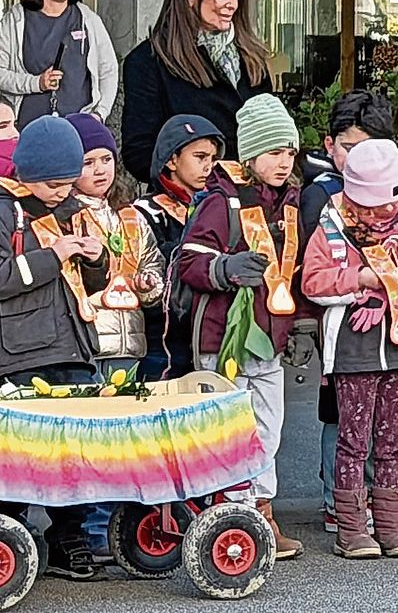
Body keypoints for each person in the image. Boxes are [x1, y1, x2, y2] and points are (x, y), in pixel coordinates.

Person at [0, 115, 109, 579]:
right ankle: (9, 530)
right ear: (24, 173)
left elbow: (93, 281)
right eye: (51, 184)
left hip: (74, 345)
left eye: (69, 183)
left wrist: (96, 258)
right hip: (21, 351)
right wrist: (54, 255)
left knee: (75, 454)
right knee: (21, 452)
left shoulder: (71, 206)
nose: (61, 192)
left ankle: (69, 534)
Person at [301, 140, 398, 560]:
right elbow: (312, 281)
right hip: (353, 349)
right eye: (364, 205)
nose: (373, 215)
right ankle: (351, 529)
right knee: (353, 438)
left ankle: (390, 525)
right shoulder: (331, 224)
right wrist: (360, 279)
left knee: (393, 439)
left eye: (381, 205)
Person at [172, 94, 304, 559]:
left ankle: (261, 514)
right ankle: (228, 515)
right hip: (221, 338)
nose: (283, 162)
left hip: (271, 338)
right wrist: (226, 269)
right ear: (249, 156)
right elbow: (187, 261)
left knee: (269, 427)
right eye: (273, 152)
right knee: (226, 431)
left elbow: (292, 271)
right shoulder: (221, 201)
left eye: (289, 151)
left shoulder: (289, 202)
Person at [66, 113, 164, 555]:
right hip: (89, 342)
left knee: (122, 438)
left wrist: (149, 285)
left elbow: (154, 270)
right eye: (88, 162)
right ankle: (88, 527)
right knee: (91, 440)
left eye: (106, 159)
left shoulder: (131, 219)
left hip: (130, 340)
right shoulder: (65, 219)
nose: (100, 170)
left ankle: (113, 527)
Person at [120, 0, 274, 181]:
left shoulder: (252, 58)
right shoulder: (148, 62)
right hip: (188, 206)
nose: (232, 3)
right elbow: (139, 153)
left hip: (252, 201)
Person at [133, 114, 224, 379]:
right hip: (159, 335)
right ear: (172, 159)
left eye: (213, 159)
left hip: (206, 329)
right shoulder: (144, 211)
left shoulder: (218, 208)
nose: (209, 167)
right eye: (200, 157)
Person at [0, 0, 118, 125]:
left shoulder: (87, 19)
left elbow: (108, 70)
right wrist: (35, 83)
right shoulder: (16, 20)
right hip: (28, 129)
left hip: (78, 132)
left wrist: (99, 114)